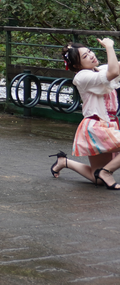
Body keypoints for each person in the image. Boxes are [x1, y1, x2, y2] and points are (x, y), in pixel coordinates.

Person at [51, 38, 120, 189]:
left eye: (89, 52)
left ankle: (64, 162)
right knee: (102, 174)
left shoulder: (100, 70)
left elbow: (116, 67)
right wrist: (109, 46)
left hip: (107, 125)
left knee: (98, 179)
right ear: (77, 65)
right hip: (96, 127)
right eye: (85, 56)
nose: (91, 55)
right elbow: (114, 71)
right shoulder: (81, 77)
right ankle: (107, 172)